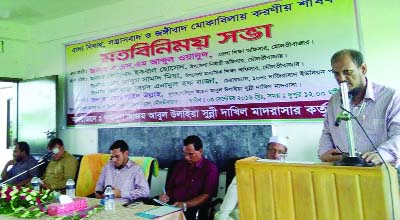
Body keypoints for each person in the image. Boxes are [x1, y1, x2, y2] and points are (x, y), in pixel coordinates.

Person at [319, 49, 400, 166]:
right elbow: (327, 132)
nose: (341, 78)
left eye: (347, 72)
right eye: (336, 73)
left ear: (363, 69)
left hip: (382, 170)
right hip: (344, 170)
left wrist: (382, 154)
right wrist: (324, 152)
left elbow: (398, 134)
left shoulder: (390, 97)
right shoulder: (335, 100)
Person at [214, 135, 288, 220]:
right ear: (267, 151)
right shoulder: (248, 171)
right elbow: (226, 209)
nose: (276, 155)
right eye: (273, 150)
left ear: (285, 155)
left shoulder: (288, 176)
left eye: (280, 152)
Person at [158, 135, 219, 220]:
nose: (186, 157)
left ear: (200, 151)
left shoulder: (210, 169)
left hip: (191, 208)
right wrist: (165, 195)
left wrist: (185, 204)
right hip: (171, 205)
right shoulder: (179, 165)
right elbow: (169, 187)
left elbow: (206, 195)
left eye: (190, 154)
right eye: (185, 153)